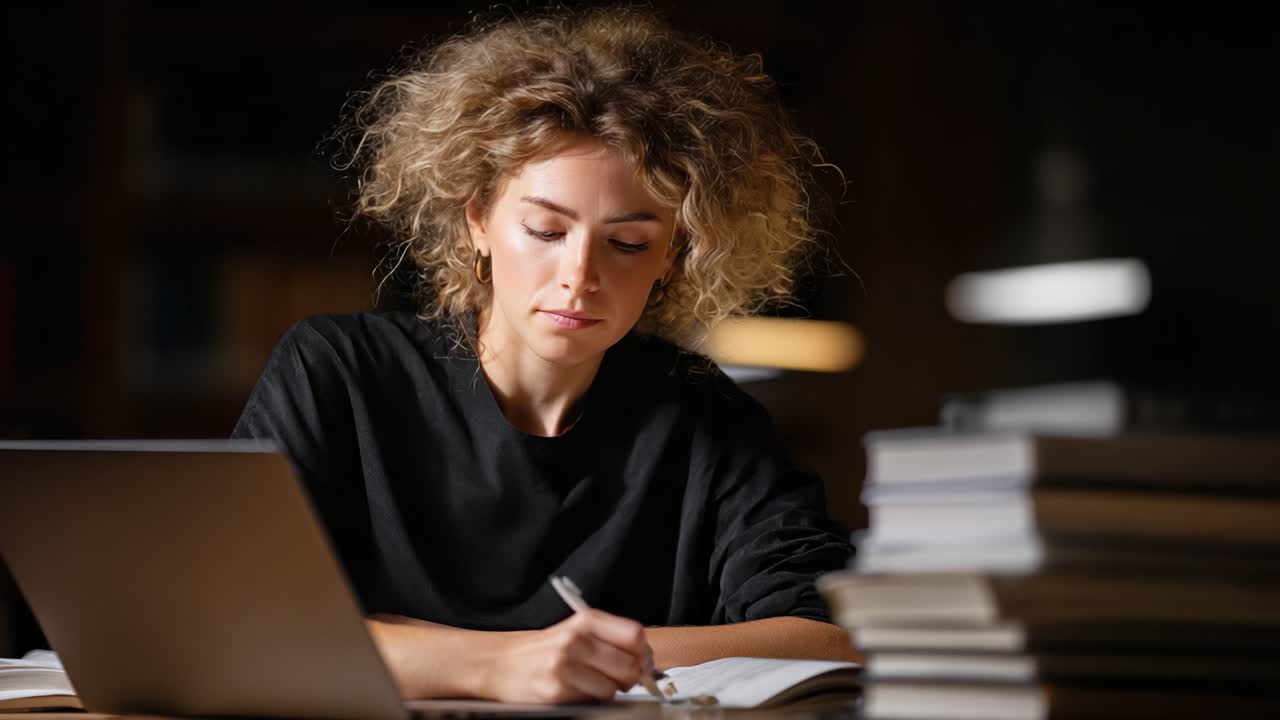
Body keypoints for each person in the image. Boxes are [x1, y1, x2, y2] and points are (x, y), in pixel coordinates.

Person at [232, 5, 856, 705]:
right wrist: (503, 664)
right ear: (478, 220)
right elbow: (236, 624)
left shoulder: (706, 416)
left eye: (628, 243)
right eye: (545, 229)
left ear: (674, 255)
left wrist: (532, 656)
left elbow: (828, 634)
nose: (580, 276)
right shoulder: (339, 373)